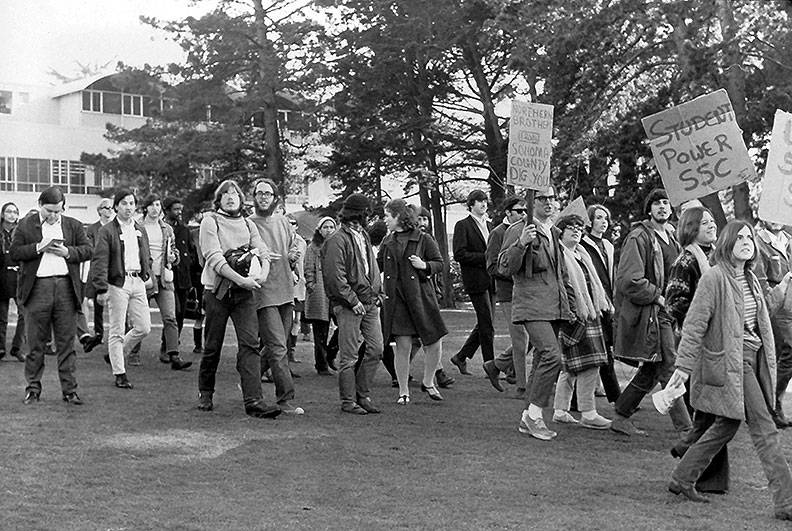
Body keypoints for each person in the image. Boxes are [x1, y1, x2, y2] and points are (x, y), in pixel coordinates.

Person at [666, 220, 792, 522]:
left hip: (753, 359)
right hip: (732, 364)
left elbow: (760, 315)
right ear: (727, 243)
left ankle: (682, 479)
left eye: (750, 237)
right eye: (740, 238)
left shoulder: (750, 278)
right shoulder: (714, 278)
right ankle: (786, 502)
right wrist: (682, 369)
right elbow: (694, 326)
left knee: (727, 425)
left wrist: (785, 283)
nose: (747, 242)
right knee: (766, 429)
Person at [611, 188, 692, 437]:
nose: (662, 207)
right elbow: (629, 280)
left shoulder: (673, 238)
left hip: (670, 312)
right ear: (649, 209)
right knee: (669, 365)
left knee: (652, 368)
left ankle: (621, 415)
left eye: (666, 202)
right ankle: (686, 428)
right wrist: (658, 296)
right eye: (657, 203)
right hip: (654, 312)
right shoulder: (639, 236)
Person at [197, 180, 279, 418]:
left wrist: (261, 276)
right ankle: (205, 393)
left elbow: (262, 251)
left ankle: (254, 401)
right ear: (219, 199)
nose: (231, 197)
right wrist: (240, 279)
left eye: (235, 194)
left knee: (250, 345)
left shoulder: (247, 223)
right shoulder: (210, 221)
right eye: (226, 194)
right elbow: (214, 258)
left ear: (242, 200)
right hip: (216, 292)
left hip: (244, 294)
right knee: (212, 345)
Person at [500, 186, 575, 441]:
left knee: (543, 360)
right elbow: (504, 266)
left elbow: (560, 272)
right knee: (552, 357)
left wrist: (570, 305)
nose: (549, 202)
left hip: (553, 305)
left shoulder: (552, 231)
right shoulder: (519, 228)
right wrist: (521, 244)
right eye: (543, 198)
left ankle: (527, 416)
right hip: (532, 304)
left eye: (552, 198)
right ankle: (534, 415)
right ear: (532, 200)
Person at [11, 186, 92, 404]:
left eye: (58, 211)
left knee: (66, 343)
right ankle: (33, 389)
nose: (54, 215)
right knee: (36, 343)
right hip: (37, 288)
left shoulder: (73, 225)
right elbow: (15, 252)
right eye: (49, 211)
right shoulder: (25, 225)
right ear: (40, 205)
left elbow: (88, 250)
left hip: (66, 287)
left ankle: (69, 391)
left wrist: (69, 253)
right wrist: (38, 247)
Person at [378, 199, 447, 404]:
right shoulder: (387, 241)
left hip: (421, 297)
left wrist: (424, 265)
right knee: (403, 345)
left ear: (399, 216)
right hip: (397, 300)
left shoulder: (423, 239)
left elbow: (440, 264)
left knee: (435, 340)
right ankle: (403, 391)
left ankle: (428, 381)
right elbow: (377, 267)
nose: (385, 219)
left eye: (387, 215)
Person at [322, 193, 383, 415]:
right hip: (350, 305)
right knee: (349, 356)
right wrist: (352, 300)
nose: (370, 216)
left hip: (369, 302)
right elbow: (335, 276)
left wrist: (378, 293)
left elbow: (371, 267)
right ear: (360, 213)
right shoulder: (337, 240)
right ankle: (349, 400)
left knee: (376, 349)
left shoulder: (362, 235)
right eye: (367, 212)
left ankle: (362, 395)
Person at [551, 214, 613, 429]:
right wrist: (571, 312)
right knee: (586, 364)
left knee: (573, 366)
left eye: (579, 227)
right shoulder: (558, 255)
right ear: (561, 232)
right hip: (572, 315)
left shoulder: (582, 254)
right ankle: (588, 412)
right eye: (570, 228)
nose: (576, 231)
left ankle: (560, 410)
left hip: (589, 313)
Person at [248, 179, 303, 415]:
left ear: (275, 198)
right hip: (263, 291)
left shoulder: (283, 221)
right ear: (254, 197)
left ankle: (249, 382)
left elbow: (295, 245)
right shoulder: (248, 224)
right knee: (278, 346)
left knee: (273, 346)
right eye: (259, 193)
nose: (263, 197)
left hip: (285, 290)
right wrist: (257, 254)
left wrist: (294, 253)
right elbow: (242, 252)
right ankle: (285, 399)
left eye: (267, 193)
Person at [91, 190, 153, 390]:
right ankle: (120, 372)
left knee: (144, 327)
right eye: (124, 203)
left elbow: (146, 254)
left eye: (132, 203)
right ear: (116, 206)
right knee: (117, 329)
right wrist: (101, 288)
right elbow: (99, 261)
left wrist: (147, 274)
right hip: (118, 282)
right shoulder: (107, 231)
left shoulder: (140, 229)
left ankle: (114, 354)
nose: (129, 207)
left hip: (138, 282)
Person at [131, 194, 191, 370]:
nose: (155, 208)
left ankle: (174, 355)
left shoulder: (167, 229)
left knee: (171, 317)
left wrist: (174, 257)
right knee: (137, 319)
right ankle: (132, 352)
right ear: (145, 208)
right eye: (151, 205)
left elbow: (174, 252)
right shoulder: (137, 227)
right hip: (144, 278)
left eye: (157, 205)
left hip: (164, 278)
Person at [483, 196, 530, 398]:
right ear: (508, 213)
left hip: (529, 292)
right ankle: (522, 386)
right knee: (521, 340)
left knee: (535, 338)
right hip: (509, 293)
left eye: (525, 211)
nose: (523, 214)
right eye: (519, 211)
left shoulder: (528, 231)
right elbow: (492, 266)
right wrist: (513, 270)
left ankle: (497, 365)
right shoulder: (498, 233)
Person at [450, 189, 494, 374]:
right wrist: (485, 257)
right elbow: (460, 254)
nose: (483, 204)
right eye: (479, 201)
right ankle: (491, 365)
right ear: (471, 204)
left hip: (491, 279)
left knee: (486, 322)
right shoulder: (463, 225)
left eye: (485, 201)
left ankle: (461, 356)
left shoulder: (491, 226)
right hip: (475, 280)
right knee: (487, 324)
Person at [579, 204, 620, 403]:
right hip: (592, 303)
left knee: (603, 350)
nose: (603, 222)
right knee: (599, 351)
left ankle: (579, 400)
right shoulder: (583, 245)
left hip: (608, 303)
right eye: (598, 218)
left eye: (605, 218)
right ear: (590, 221)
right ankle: (617, 397)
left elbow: (611, 276)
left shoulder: (608, 246)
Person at [754, 220, 792, 429]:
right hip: (776, 307)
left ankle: (770, 405)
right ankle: (771, 406)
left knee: (783, 356)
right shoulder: (759, 243)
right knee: (786, 352)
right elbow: (761, 280)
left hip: (791, 305)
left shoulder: (788, 241)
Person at [80, 198, 115, 353]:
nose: (109, 211)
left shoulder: (116, 227)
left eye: (111, 208)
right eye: (106, 208)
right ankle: (95, 334)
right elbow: (90, 248)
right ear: (100, 210)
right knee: (90, 301)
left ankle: (114, 335)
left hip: (113, 270)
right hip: (95, 269)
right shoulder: (92, 229)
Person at [162, 196, 196, 351]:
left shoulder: (184, 230)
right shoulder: (162, 228)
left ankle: (173, 345)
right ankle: (167, 346)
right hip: (168, 277)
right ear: (167, 210)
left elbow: (191, 252)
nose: (179, 212)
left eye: (180, 209)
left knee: (181, 314)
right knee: (172, 313)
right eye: (175, 209)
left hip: (183, 279)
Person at [304, 216, 337, 375]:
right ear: (319, 229)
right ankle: (321, 365)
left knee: (345, 326)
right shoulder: (313, 247)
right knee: (320, 332)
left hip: (336, 293)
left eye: (331, 227)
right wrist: (311, 285)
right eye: (325, 227)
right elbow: (308, 268)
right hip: (320, 293)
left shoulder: (339, 245)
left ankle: (330, 353)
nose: (329, 230)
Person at [0, 202, 26, 361]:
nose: (12, 214)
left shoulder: (21, 232)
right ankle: (0, 347)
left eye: (15, 212)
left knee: (24, 314)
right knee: (1, 317)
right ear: (3, 214)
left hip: (19, 278)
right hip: (1, 278)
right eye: (8, 211)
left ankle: (17, 347)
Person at [286, 214, 307, 365]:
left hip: (299, 285)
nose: (290, 225)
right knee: (285, 319)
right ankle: (284, 351)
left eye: (293, 223)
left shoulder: (302, 242)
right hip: (284, 285)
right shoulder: (280, 239)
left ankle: (291, 351)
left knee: (297, 319)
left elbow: (303, 263)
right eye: (287, 223)